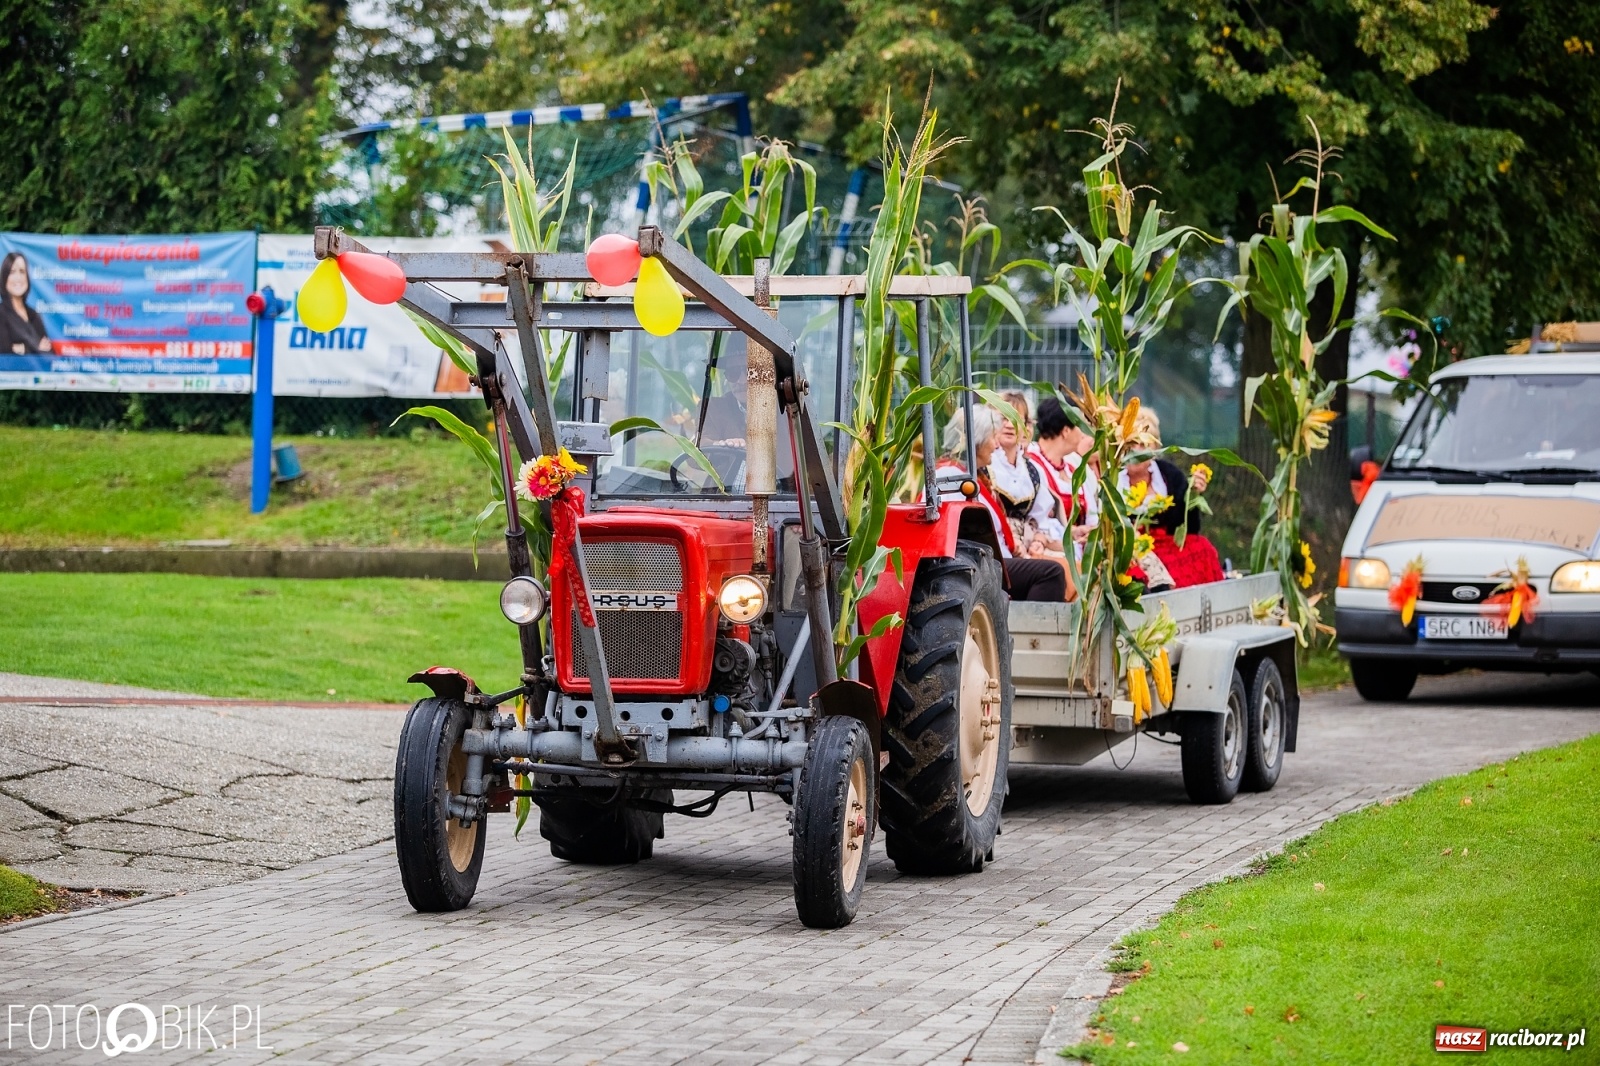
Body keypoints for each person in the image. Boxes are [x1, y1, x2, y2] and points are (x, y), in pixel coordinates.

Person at [936, 406, 1074, 602]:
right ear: (978, 441)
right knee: (1051, 572)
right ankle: (1029, 631)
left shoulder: (969, 476)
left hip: (994, 558)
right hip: (975, 564)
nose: (996, 445)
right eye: (993, 437)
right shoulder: (950, 477)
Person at [1119, 407, 1224, 588]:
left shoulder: (1169, 475)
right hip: (1131, 547)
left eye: (1143, 445)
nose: (1136, 451)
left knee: (1203, 548)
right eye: (1132, 443)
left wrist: (1193, 496)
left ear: (1154, 449)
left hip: (1167, 543)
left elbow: (1190, 528)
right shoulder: (1114, 478)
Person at [1025, 396, 1096, 558]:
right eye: (1080, 426)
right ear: (1066, 431)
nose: (1084, 434)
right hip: (1043, 550)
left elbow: (1092, 517)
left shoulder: (1074, 469)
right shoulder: (1031, 463)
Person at [987, 391, 1042, 547]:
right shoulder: (982, 466)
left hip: (1026, 545)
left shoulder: (1032, 471)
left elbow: (1040, 518)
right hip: (994, 546)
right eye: (1004, 418)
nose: (1010, 425)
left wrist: (1038, 541)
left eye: (1016, 419)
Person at [0, 252, 52, 355]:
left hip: (37, 372)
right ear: (5, 277)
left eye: (22, 271)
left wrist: (24, 348)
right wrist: (36, 348)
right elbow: (4, 351)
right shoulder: (1, 313)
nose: (18, 277)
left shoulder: (34, 315)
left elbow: (50, 354)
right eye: (12, 272)